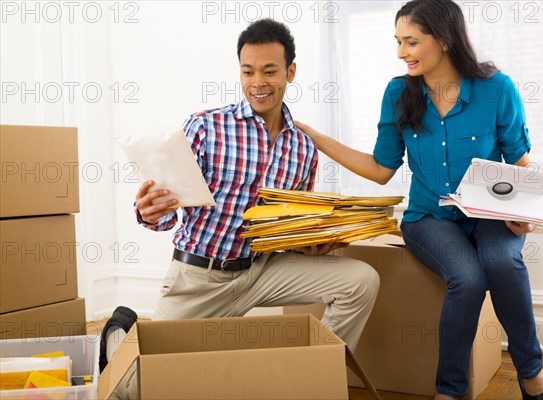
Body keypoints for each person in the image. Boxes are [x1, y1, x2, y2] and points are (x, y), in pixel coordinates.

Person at [100, 18, 380, 399]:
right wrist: (151, 212)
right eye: (248, 71)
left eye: (269, 71)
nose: (257, 83)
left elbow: (287, 224)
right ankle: (119, 339)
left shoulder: (302, 147)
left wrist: (312, 242)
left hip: (262, 271)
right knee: (133, 392)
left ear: (290, 72)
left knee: (360, 280)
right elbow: (167, 210)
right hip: (199, 278)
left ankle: (310, 378)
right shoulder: (205, 127)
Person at [295, 1, 543, 399]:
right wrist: (317, 138)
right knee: (467, 278)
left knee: (501, 260)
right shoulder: (399, 93)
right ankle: (448, 392)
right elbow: (382, 169)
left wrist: (527, 214)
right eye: (398, 42)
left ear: (444, 40)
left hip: (488, 213)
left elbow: (520, 159)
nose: (401, 53)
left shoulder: (496, 88)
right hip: (429, 217)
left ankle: (532, 373)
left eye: (411, 42)